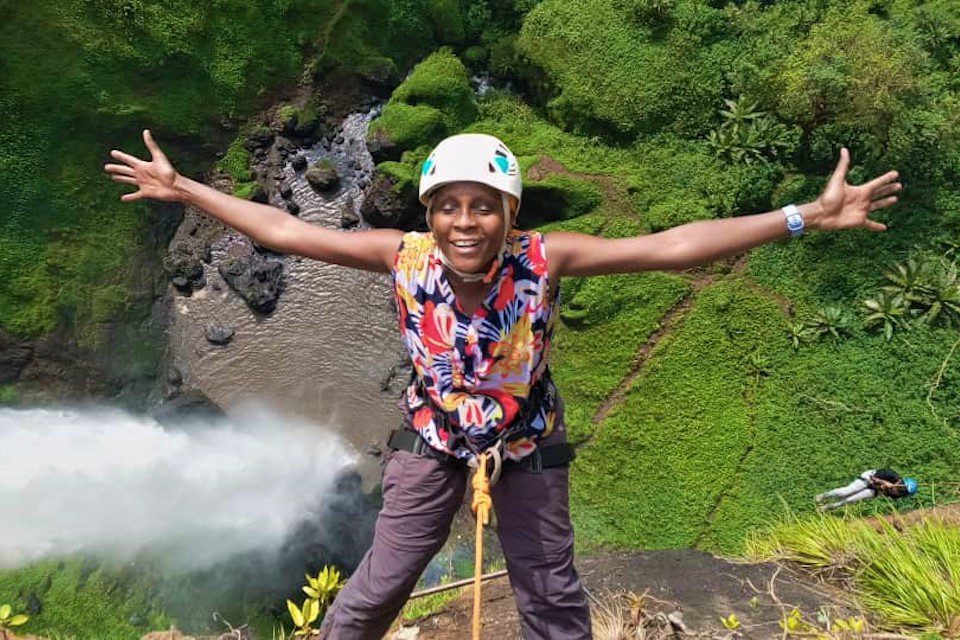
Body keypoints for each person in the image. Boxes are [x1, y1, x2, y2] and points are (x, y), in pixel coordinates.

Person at [105, 129, 901, 639]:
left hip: (527, 447)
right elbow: (287, 231)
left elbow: (672, 247)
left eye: (483, 207)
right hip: (432, 442)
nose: (463, 222)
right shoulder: (402, 254)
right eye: (447, 205)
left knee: (549, 590)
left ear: (508, 214)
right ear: (429, 212)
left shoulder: (545, 260)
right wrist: (187, 192)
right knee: (380, 581)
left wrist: (802, 216)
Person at [815, 468, 919, 511]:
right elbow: (873, 479)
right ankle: (824, 495)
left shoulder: (897, 494)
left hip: (876, 490)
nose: (899, 491)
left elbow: (882, 492)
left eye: (903, 492)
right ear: (900, 482)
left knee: (850, 500)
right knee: (845, 492)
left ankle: (827, 507)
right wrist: (884, 483)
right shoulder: (889, 473)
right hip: (869, 479)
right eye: (901, 488)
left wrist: (883, 489)